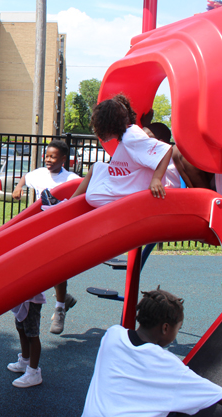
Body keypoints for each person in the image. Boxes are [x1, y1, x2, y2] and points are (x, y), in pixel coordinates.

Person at [82, 287, 222, 416]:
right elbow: (217, 395)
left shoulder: (112, 335)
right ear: (165, 328)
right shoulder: (167, 364)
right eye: (178, 329)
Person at [13, 140, 80, 335]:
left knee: (58, 269)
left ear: (64, 159)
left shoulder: (71, 179)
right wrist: (19, 187)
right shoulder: (40, 174)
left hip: (60, 232)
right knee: (41, 267)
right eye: (47, 156)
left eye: (53, 157)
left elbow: (82, 193)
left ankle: (60, 308)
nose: (48, 160)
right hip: (40, 229)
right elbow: (26, 177)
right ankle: (62, 298)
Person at [71, 94, 173, 206]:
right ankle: (69, 202)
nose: (96, 130)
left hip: (134, 190)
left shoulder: (131, 138)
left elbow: (166, 150)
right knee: (97, 167)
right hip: (126, 180)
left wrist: (156, 179)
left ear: (107, 125)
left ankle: (121, 205)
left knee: (92, 196)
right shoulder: (128, 134)